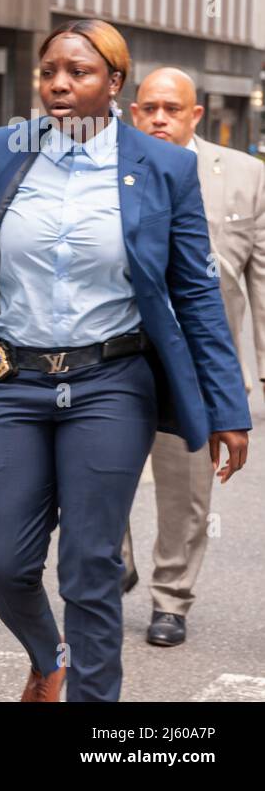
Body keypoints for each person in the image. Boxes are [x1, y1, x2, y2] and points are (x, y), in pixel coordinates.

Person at [0, 19, 252, 702]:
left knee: (89, 565)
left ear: (114, 83)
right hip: (13, 379)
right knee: (2, 564)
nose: (60, 85)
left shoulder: (164, 166)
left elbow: (194, 292)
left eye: (78, 72)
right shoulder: (3, 150)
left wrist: (227, 407)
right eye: (50, 72)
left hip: (110, 383)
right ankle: (50, 659)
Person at [120, 67, 265, 646]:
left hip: (199, 368)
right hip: (119, 363)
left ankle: (170, 599)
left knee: (186, 497)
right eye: (149, 108)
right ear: (133, 113)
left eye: (171, 109)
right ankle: (113, 560)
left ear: (195, 114)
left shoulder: (247, 177)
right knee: (93, 476)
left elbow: (261, 280)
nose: (159, 118)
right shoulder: (112, 169)